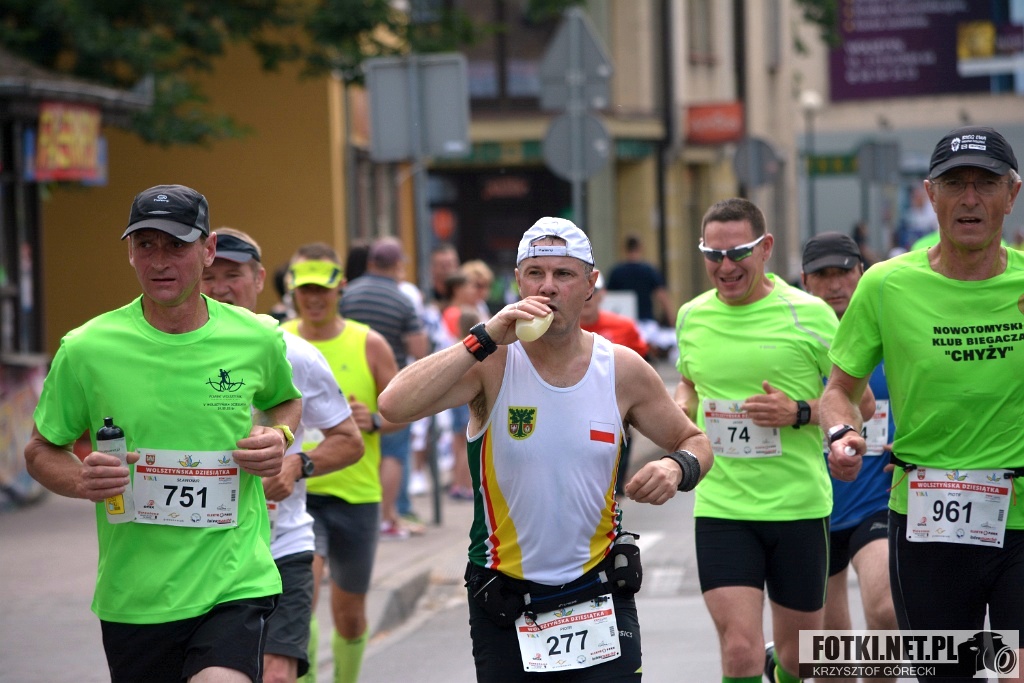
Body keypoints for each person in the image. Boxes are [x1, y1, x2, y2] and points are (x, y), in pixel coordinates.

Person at [378, 216, 713, 682]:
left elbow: (695, 442)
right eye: (535, 273)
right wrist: (483, 337)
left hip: (599, 588)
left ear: (590, 285)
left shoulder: (620, 368)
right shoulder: (491, 362)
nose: (548, 286)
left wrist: (677, 468)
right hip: (505, 593)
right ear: (519, 281)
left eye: (564, 274)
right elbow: (393, 405)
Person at [24, 184, 302, 683]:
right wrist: (80, 480)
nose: (159, 261)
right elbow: (42, 448)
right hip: (137, 594)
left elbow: (286, 399)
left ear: (207, 249)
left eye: (176, 245)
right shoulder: (87, 348)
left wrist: (279, 435)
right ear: (130, 252)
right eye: (145, 244)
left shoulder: (256, 337)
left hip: (234, 577)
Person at [821, 125, 1024, 683]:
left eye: (986, 183)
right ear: (930, 194)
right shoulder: (886, 286)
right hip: (929, 518)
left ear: (1012, 194)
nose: (969, 199)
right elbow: (838, 391)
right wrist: (840, 434)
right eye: (954, 184)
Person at [673, 198, 873, 683]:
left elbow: (860, 404)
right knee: (738, 648)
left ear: (765, 248)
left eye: (737, 252)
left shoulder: (810, 315)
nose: (725, 266)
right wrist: (679, 410)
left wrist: (799, 412)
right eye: (712, 254)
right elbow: (690, 384)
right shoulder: (692, 316)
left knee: (799, 658)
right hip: (723, 506)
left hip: (797, 506)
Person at [201, 228, 365, 683]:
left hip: (282, 543)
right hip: (202, 551)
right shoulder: (170, 357)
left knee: (277, 674)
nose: (220, 288)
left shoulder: (295, 354)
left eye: (232, 276)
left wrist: (296, 464)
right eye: (209, 276)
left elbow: (349, 440)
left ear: (258, 279)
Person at [280, 242, 400, 683]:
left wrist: (376, 421)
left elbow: (403, 409)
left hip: (356, 494)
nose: (314, 299)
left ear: (340, 288)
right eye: (305, 290)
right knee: (301, 602)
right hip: (298, 495)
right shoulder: (275, 341)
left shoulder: (370, 343)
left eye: (323, 290)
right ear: (292, 290)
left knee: (349, 615)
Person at [800, 232, 897, 683]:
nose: (835, 284)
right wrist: (801, 412)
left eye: (844, 272)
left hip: (875, 498)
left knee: (886, 610)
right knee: (831, 662)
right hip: (810, 504)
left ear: (862, 273)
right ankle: (784, 662)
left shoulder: (889, 331)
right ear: (805, 281)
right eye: (822, 275)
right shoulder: (795, 335)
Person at [340, 237, 427, 539]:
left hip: (350, 378)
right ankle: (387, 516)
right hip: (390, 383)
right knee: (393, 449)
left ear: (371, 262)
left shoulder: (348, 293)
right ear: (397, 265)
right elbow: (418, 348)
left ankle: (360, 515)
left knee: (355, 444)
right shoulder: (402, 300)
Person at [581, 273, 650, 496]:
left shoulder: (624, 326)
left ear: (602, 294)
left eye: (594, 292)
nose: (588, 297)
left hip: (614, 414)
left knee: (613, 491)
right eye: (584, 292)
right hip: (576, 412)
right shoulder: (559, 330)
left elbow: (641, 370)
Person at [606, 234, 672, 325]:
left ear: (625, 249)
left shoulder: (617, 272)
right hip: (646, 321)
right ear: (640, 248)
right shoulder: (649, 270)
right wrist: (671, 319)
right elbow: (662, 296)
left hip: (624, 320)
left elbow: (607, 297)